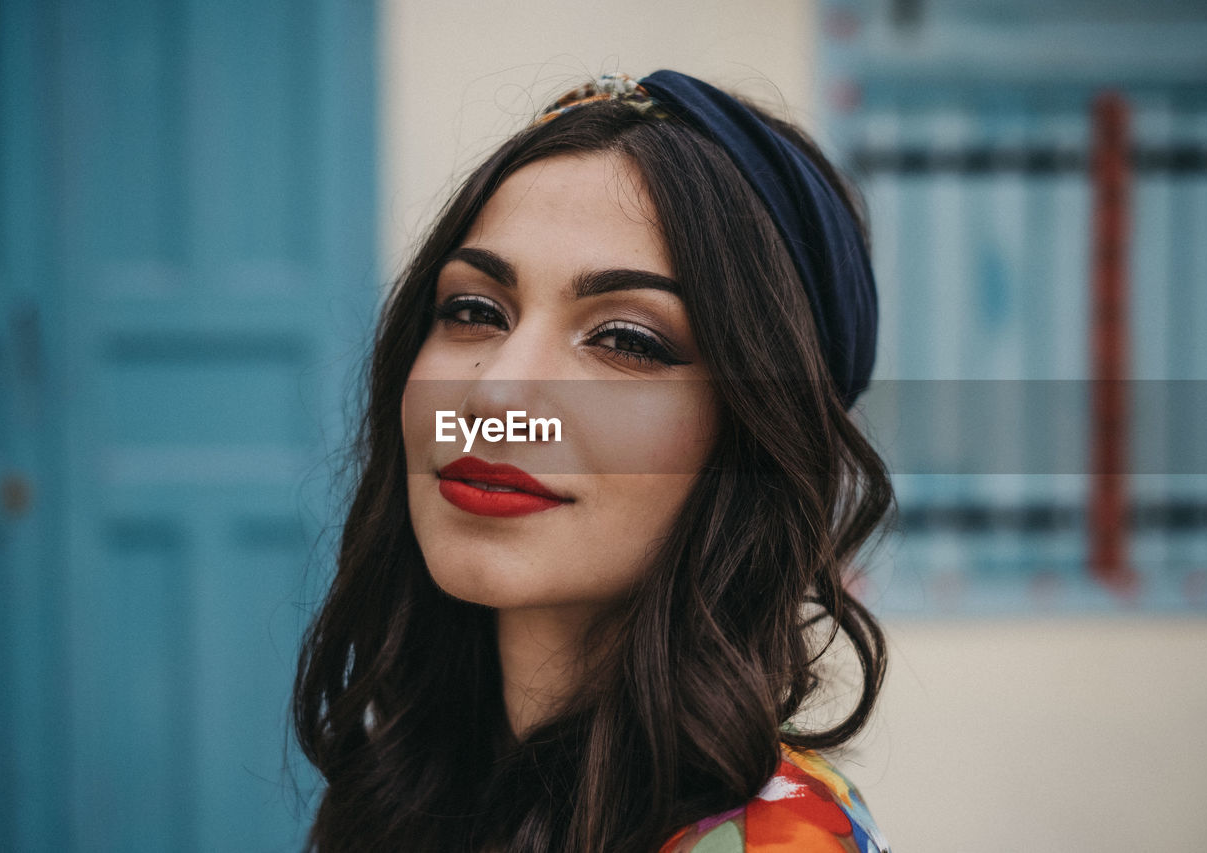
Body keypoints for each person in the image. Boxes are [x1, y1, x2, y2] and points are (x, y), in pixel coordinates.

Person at [293, 70, 896, 853]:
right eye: (474, 311)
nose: (497, 395)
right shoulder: (420, 781)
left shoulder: (771, 841)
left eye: (627, 340)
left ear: (753, 435)